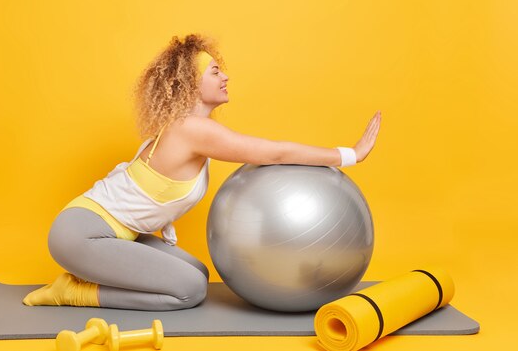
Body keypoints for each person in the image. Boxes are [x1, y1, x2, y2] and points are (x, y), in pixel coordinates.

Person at [22, 33, 382, 311]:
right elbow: (275, 152)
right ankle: (71, 292)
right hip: (82, 234)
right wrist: (351, 154)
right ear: (192, 83)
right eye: (214, 71)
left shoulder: (183, 128)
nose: (225, 76)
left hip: (117, 234)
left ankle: (89, 276)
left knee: (198, 272)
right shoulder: (192, 130)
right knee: (189, 291)